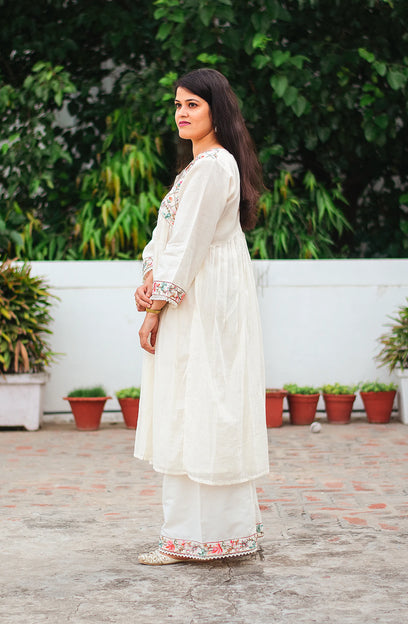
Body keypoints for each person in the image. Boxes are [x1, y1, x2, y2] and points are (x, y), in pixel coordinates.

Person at [133, 68, 269, 565]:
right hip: (196, 293)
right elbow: (165, 235)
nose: (182, 113)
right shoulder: (197, 168)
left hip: (204, 300)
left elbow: (189, 247)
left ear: (216, 109)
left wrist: (156, 309)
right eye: (177, 105)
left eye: (193, 104)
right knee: (196, 405)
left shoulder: (214, 166)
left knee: (202, 406)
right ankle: (202, 534)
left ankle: (198, 537)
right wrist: (151, 273)